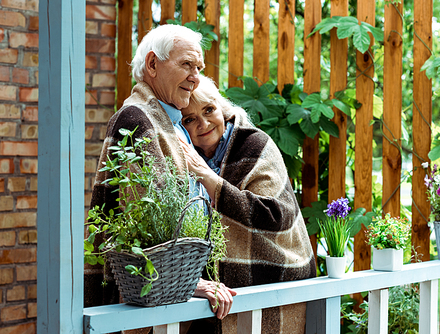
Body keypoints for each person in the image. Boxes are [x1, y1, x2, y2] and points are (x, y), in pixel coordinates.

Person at [85, 25, 236, 330]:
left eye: (199, 68)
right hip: (143, 302)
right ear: (152, 65)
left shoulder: (171, 120)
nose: (195, 77)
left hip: (167, 297)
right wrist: (194, 282)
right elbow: (146, 223)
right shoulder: (137, 119)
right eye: (186, 65)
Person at [179, 75, 316, 334]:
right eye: (190, 118)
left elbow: (277, 215)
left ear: (222, 108)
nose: (204, 123)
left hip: (272, 276)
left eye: (209, 110)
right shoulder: (185, 155)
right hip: (213, 289)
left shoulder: (255, 144)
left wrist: (211, 181)